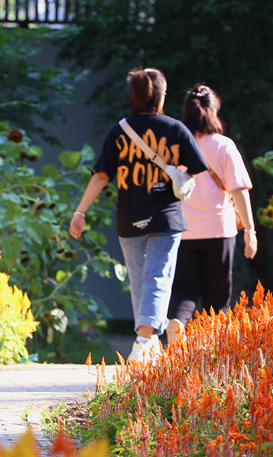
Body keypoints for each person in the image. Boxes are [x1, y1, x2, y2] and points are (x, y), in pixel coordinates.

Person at [70, 67, 208, 364]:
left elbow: (101, 175)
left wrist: (80, 211)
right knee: (157, 277)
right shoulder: (174, 129)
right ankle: (144, 341)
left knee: (140, 282)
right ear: (159, 97)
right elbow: (198, 167)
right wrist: (176, 173)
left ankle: (149, 344)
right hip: (165, 217)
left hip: (129, 218)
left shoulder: (120, 130)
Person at [165, 85, 258, 345]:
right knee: (217, 298)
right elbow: (239, 191)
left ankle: (178, 323)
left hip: (183, 230)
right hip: (219, 231)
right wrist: (250, 230)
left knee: (183, 291)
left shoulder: (175, 145)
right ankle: (213, 352)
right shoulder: (223, 145)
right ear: (214, 111)